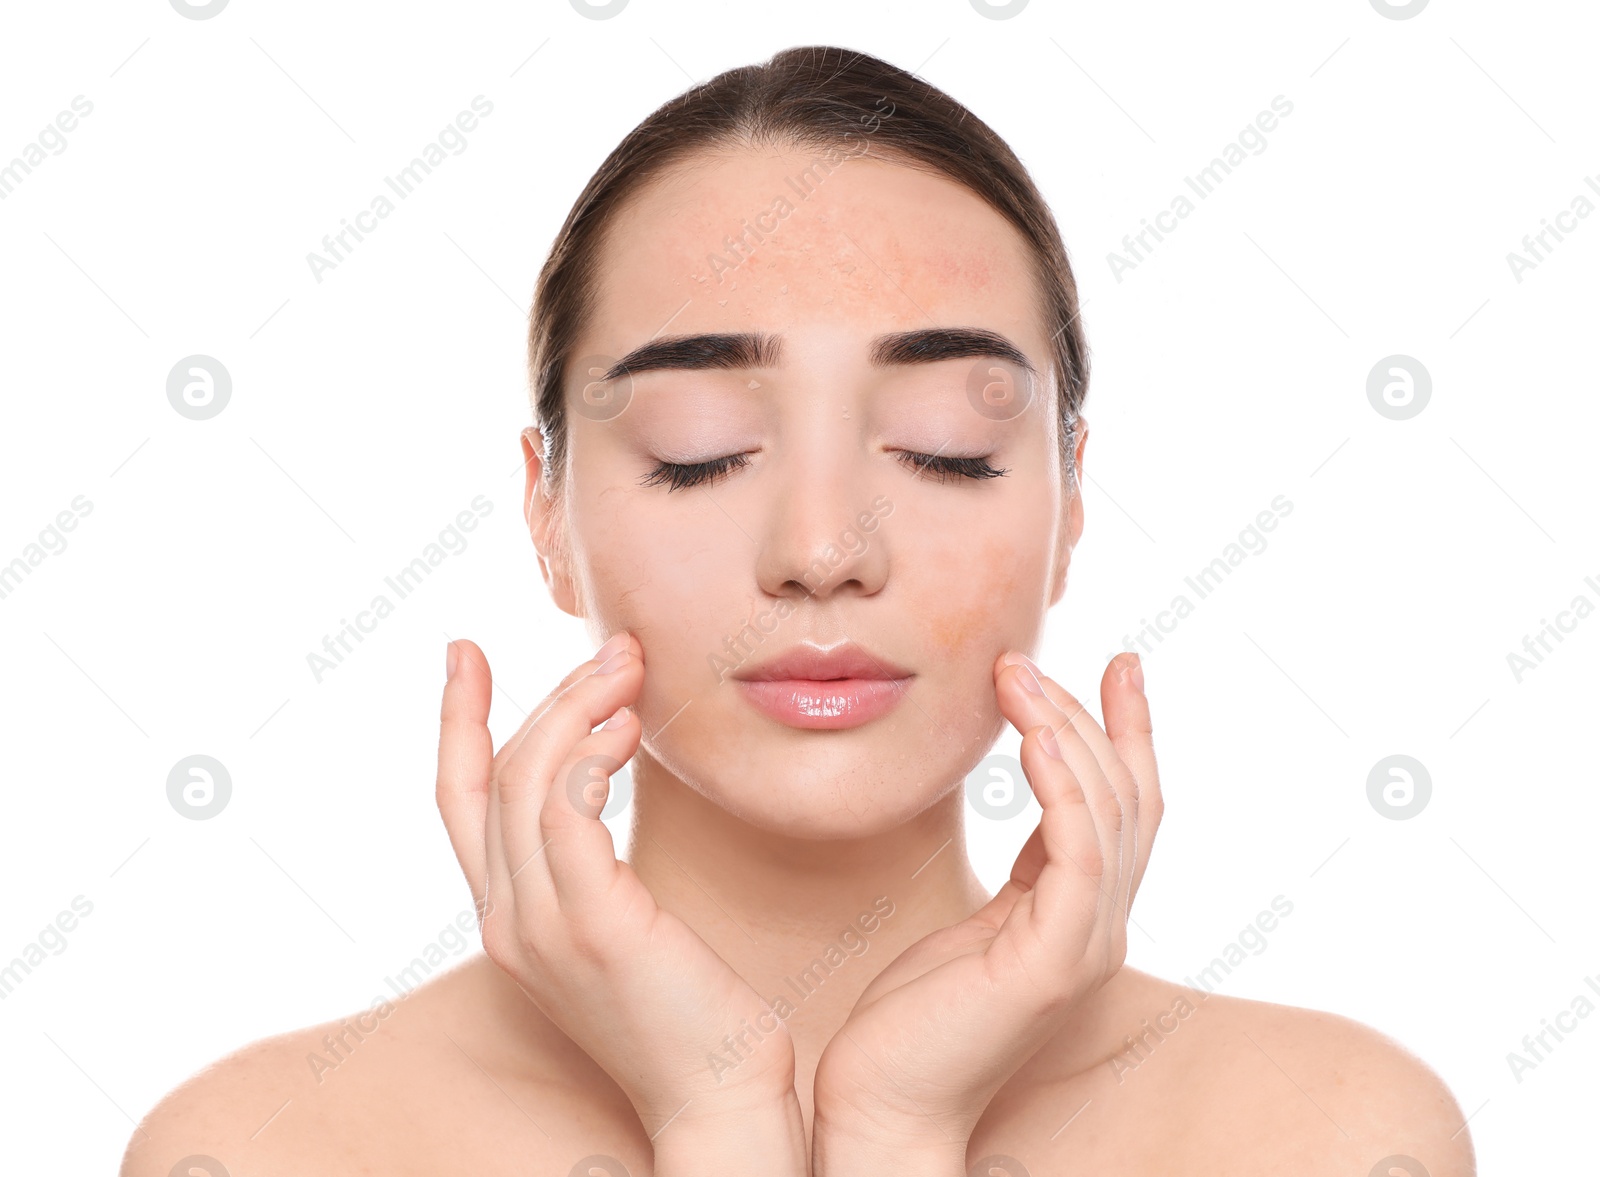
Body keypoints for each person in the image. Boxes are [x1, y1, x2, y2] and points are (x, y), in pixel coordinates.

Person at [123, 45, 1474, 1176]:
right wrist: (714, 1117)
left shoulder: (1330, 1134)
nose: (822, 549)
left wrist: (898, 1125)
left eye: (947, 444)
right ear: (547, 513)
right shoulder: (264, 1145)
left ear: (1066, 501)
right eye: (700, 447)